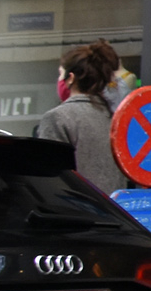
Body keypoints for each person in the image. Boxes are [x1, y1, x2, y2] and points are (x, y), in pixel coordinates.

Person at [31, 41, 127, 192]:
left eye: (61, 74)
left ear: (71, 78)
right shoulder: (117, 120)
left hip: (76, 212)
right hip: (115, 212)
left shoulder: (58, 117)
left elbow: (49, 180)